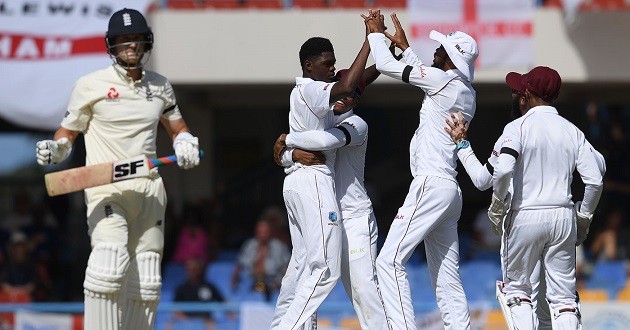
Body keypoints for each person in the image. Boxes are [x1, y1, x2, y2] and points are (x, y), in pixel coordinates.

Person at [34, 8, 201, 330]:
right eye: (124, 41)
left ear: (145, 43)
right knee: (108, 266)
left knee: (148, 277)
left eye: (136, 40)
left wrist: (185, 142)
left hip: (149, 187)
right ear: (111, 46)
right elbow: (67, 134)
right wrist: (57, 150)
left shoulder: (160, 86)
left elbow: (178, 127)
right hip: (106, 185)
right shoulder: (90, 85)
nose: (131, 47)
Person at [444, 70, 606, 330]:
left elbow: (496, 173)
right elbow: (596, 179)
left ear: (527, 96)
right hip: (563, 216)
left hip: (524, 215)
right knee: (564, 299)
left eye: (516, 92)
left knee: (517, 293)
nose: (514, 96)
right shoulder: (572, 131)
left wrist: (497, 204)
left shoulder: (516, 128)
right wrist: (584, 217)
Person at [363, 11, 478, 330]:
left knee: (388, 261)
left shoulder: (444, 81)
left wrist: (375, 34)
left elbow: (387, 66)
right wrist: (407, 49)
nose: (436, 51)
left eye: (441, 50)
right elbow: (430, 81)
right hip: (448, 190)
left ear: (451, 59)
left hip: (430, 184)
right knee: (446, 278)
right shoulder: (465, 91)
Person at [269, 26, 372, 330]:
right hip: (312, 183)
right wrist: (370, 41)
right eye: (328, 66)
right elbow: (350, 83)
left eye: (350, 93)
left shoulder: (351, 120)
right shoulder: (314, 90)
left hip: (301, 182)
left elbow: (325, 141)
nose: (333, 74)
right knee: (325, 269)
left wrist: (288, 143)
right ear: (308, 66)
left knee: (301, 268)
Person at [231, 217, 290, 301]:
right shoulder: (249, 245)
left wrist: (282, 284)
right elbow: (239, 266)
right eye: (260, 232)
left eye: (265, 232)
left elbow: (287, 269)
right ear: (256, 232)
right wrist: (234, 285)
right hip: (251, 282)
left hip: (273, 283)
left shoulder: (279, 247)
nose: (262, 235)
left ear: (270, 232)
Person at [173, 258, 225, 326]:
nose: (190, 272)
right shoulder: (181, 289)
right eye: (188, 270)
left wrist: (231, 313)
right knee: (170, 323)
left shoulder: (209, 287)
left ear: (199, 270)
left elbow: (223, 302)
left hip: (205, 320)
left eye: (193, 269)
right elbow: (175, 310)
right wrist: (188, 322)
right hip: (187, 320)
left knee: (211, 323)